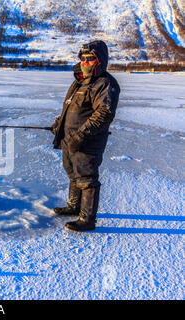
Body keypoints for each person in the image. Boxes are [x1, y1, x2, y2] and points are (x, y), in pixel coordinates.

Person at [51, 40, 120, 232]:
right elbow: (70, 109)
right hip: (69, 138)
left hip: (87, 142)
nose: (85, 62)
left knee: (87, 178)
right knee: (72, 173)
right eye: (83, 58)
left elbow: (103, 114)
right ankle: (74, 206)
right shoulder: (79, 82)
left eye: (90, 59)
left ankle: (87, 219)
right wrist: (58, 125)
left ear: (99, 61)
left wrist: (80, 136)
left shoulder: (104, 84)